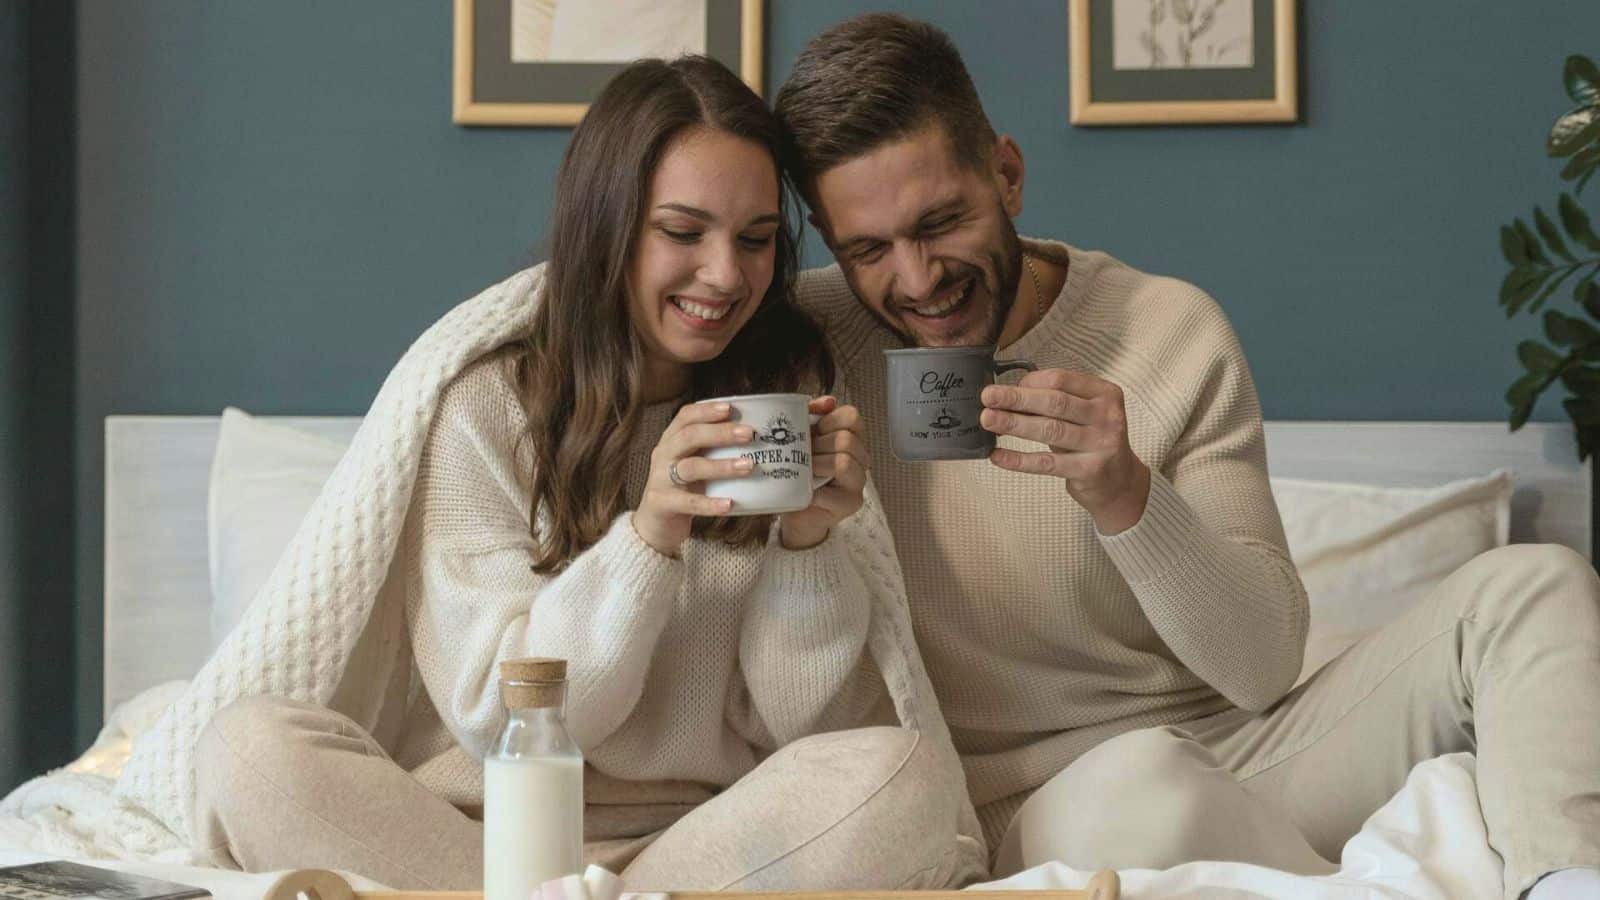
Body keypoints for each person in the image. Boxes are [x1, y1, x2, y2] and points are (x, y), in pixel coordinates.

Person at [773, 13, 1600, 900]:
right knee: (1140, 792)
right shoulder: (803, 346)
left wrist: (1130, 496)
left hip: (1246, 755)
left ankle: (1566, 884)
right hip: (1041, 807)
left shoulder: (1171, 331)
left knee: (1536, 586)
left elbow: (1263, 666)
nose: (917, 277)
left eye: (941, 221)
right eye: (866, 249)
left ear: (1006, 176)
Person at [186, 55, 982, 891]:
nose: (726, 275)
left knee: (903, 776)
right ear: (608, 227)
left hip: (699, 843)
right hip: (473, 838)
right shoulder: (486, 409)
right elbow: (504, 719)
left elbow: (799, 730)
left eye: (754, 240)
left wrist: (811, 545)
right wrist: (649, 536)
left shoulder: (783, 392)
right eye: (683, 232)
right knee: (247, 750)